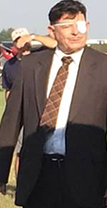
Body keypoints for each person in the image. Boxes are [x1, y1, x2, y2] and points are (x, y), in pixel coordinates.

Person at [0, 0, 107, 208]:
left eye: (80, 25)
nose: (76, 32)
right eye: (67, 26)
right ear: (52, 30)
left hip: (86, 179)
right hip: (38, 177)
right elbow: (11, 121)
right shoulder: (32, 66)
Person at [1, 28, 58, 178]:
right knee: (20, 152)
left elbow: (55, 44)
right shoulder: (10, 65)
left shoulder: (40, 55)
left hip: (42, 113)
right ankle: (20, 183)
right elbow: (8, 90)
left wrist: (33, 36)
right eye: (19, 39)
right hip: (22, 115)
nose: (23, 42)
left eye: (24, 38)